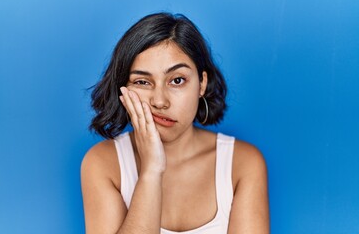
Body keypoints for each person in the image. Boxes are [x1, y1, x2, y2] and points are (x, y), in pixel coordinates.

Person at [81, 12, 269, 234]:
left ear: (201, 84)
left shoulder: (243, 164)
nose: (160, 101)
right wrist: (151, 172)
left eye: (177, 80)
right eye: (142, 81)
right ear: (124, 90)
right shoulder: (103, 163)